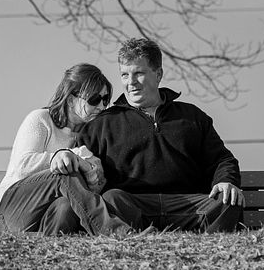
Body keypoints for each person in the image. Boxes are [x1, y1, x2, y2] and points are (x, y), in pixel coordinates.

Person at [77, 38, 245, 233]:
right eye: (124, 75)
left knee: (227, 202)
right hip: (132, 207)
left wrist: (226, 180)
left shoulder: (191, 117)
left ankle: (205, 255)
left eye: (138, 73)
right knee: (112, 199)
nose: (130, 82)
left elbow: (222, 159)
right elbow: (81, 168)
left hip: (188, 206)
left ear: (158, 74)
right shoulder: (102, 124)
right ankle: (139, 242)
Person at [0, 63, 117, 235]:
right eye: (94, 99)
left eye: (105, 100)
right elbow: (22, 166)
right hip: (12, 211)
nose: (101, 107)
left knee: (65, 206)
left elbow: (91, 191)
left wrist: (85, 165)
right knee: (64, 173)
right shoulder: (41, 119)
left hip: (46, 219)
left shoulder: (89, 136)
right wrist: (65, 157)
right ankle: (113, 232)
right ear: (71, 98)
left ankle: (52, 256)